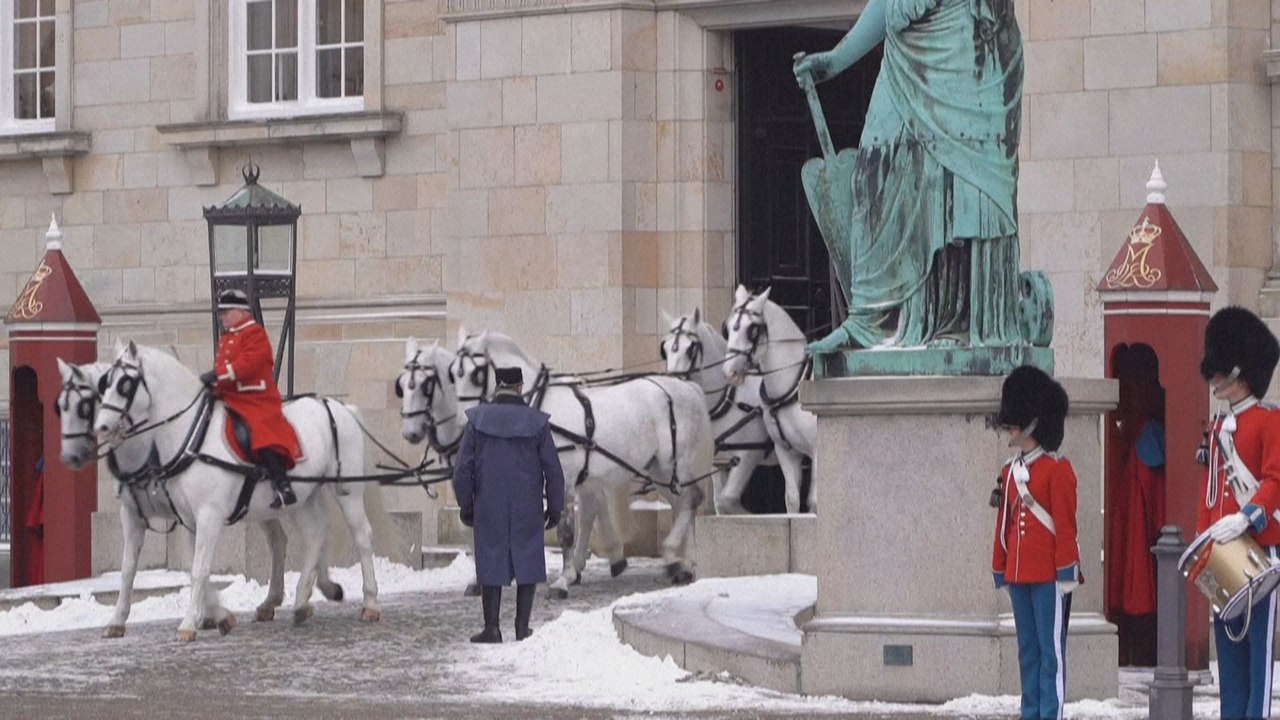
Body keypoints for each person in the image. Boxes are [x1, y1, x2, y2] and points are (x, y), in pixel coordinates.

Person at [795, 0, 1024, 350]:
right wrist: (835, 59)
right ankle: (871, 319)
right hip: (905, 59)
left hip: (964, 56)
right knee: (872, 175)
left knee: (953, 191)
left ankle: (952, 323)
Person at [1196, 306, 1280, 720]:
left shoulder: (1269, 422)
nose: (1213, 376)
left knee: (1257, 658)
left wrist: (1248, 516)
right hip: (1223, 552)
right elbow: (1210, 495)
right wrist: (1203, 544)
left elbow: (1275, 481)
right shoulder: (1218, 428)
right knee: (1228, 659)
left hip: (1259, 548)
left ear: (1239, 371)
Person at [452, 366, 565, 643]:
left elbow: (462, 469)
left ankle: (492, 628)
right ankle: (522, 627)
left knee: (490, 557)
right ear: (519, 387)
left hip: (488, 505)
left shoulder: (477, 420)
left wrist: (466, 505)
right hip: (527, 505)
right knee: (527, 558)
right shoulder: (537, 422)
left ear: (497, 387)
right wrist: (555, 506)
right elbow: (553, 469)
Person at [991, 365, 1079, 720]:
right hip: (1019, 575)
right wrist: (1000, 567)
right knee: (1028, 652)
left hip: (1048, 577)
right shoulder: (1010, 471)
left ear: (1032, 422)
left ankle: (1049, 714)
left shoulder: (1057, 470)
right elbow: (1004, 526)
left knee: (1050, 655)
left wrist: (1066, 571)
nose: (1010, 428)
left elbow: (1066, 525)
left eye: (1015, 421)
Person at [200, 289, 301, 509]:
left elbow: (249, 364)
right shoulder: (227, 338)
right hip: (231, 396)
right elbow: (225, 371)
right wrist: (212, 384)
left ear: (241, 311)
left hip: (256, 397)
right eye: (221, 312)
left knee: (260, 430)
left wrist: (219, 374)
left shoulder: (255, 333)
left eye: (226, 312)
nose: (222, 317)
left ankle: (282, 484)